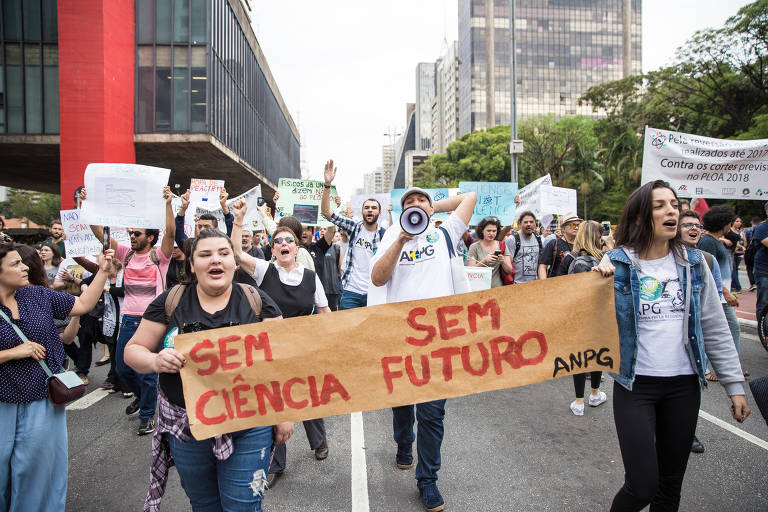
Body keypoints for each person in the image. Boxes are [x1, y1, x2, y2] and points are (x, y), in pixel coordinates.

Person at [593, 180, 750, 511]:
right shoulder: (616, 263)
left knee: (669, 488)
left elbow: (715, 326)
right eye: (660, 205)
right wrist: (596, 279)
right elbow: (585, 320)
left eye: (674, 205)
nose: (672, 211)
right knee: (642, 486)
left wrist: (735, 386)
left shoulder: (695, 263)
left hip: (683, 386)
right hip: (635, 386)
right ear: (640, 217)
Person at [123, 229, 292, 511]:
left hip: (249, 424)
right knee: (204, 504)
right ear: (192, 264)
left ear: (234, 262)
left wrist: (285, 413)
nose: (216, 260)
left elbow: (285, 359)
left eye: (224, 254)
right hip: (188, 428)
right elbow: (133, 350)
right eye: (205, 255)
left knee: (243, 505)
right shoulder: (171, 300)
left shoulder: (257, 300)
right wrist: (155, 361)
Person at [370, 186, 477, 512]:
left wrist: (431, 208)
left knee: (432, 413)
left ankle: (427, 480)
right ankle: (404, 441)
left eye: (421, 202)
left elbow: (469, 197)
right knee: (402, 401)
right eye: (409, 203)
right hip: (400, 339)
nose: (414, 207)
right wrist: (401, 239)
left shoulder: (445, 233)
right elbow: (377, 279)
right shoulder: (391, 238)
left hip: (438, 340)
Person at [0, 242, 113, 511]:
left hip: (43, 399)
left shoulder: (36, 295)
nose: (25, 266)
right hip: (3, 400)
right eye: (15, 263)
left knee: (39, 471)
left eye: (22, 262)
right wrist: (11, 353)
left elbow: (84, 304)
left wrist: (103, 271)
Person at [231, 203, 331, 489]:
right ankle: (276, 463)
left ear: (297, 248)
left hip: (303, 347)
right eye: (278, 241)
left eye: (290, 240)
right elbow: (237, 254)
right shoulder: (264, 270)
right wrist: (238, 221)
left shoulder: (311, 279)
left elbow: (324, 313)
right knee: (275, 401)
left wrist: (337, 341)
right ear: (272, 249)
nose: (284, 244)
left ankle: (319, 440)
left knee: (306, 397)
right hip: (270, 348)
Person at [85, 185, 175, 435]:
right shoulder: (125, 254)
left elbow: (171, 233)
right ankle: (144, 397)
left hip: (152, 321)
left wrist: (168, 204)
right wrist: (88, 206)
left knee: (147, 373)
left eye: (137, 233)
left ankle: (147, 415)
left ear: (150, 237)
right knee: (124, 369)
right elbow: (99, 232)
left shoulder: (160, 256)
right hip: (128, 320)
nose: (132, 236)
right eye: (131, 233)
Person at [679, 209, 724, 455]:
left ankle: (688, 432)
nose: (694, 229)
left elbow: (714, 297)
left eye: (697, 225)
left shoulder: (706, 260)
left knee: (693, 385)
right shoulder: (658, 259)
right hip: (673, 337)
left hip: (696, 335)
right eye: (687, 225)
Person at [558, 221, 608, 415]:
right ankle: (595, 394)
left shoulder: (570, 258)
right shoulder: (605, 258)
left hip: (577, 314)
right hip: (600, 315)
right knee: (597, 354)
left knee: (579, 357)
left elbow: (559, 287)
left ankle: (579, 402)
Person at [321, 159, 386, 309]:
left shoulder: (384, 235)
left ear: (379, 213)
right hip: (351, 292)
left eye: (373, 208)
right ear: (362, 212)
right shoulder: (354, 227)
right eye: (367, 207)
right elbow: (326, 213)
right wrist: (327, 185)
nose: (370, 210)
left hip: (374, 292)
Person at [698, 205, 740, 361]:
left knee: (728, 328)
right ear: (723, 223)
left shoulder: (715, 241)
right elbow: (708, 272)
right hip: (717, 295)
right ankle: (715, 366)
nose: (731, 225)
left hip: (721, 294)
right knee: (724, 328)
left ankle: (731, 363)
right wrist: (725, 292)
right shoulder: (708, 242)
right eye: (729, 222)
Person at [467, 216, 514, 288]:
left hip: (498, 288)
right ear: (482, 230)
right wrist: (484, 260)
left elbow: (509, 270)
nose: (491, 233)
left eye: (494, 231)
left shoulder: (502, 245)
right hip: (479, 288)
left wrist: (502, 261)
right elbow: (471, 271)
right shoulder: (474, 247)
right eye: (488, 231)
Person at [538, 213, 582, 279]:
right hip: (557, 285)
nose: (576, 228)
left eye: (578, 225)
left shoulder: (582, 245)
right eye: (573, 225)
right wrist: (544, 284)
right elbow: (543, 266)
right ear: (563, 228)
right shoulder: (554, 244)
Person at [505, 211, 543, 283]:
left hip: (534, 284)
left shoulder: (537, 237)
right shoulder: (512, 239)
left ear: (535, 224)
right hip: (517, 284)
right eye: (525, 222)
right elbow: (508, 265)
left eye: (531, 222)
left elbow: (539, 260)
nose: (529, 224)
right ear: (520, 224)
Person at [724, 216, 744, 292]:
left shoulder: (738, 231)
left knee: (732, 269)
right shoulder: (728, 230)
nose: (739, 223)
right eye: (737, 221)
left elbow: (735, 242)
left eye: (740, 221)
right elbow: (721, 237)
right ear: (733, 222)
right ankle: (736, 287)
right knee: (732, 269)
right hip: (726, 251)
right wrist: (725, 240)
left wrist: (741, 246)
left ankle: (733, 286)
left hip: (732, 252)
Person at [743, 216, 761, 291]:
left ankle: (752, 283)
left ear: (751, 222)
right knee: (758, 268)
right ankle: (758, 283)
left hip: (749, 251)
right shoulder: (761, 229)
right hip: (758, 251)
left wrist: (745, 248)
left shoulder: (747, 231)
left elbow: (745, 241)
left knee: (749, 268)